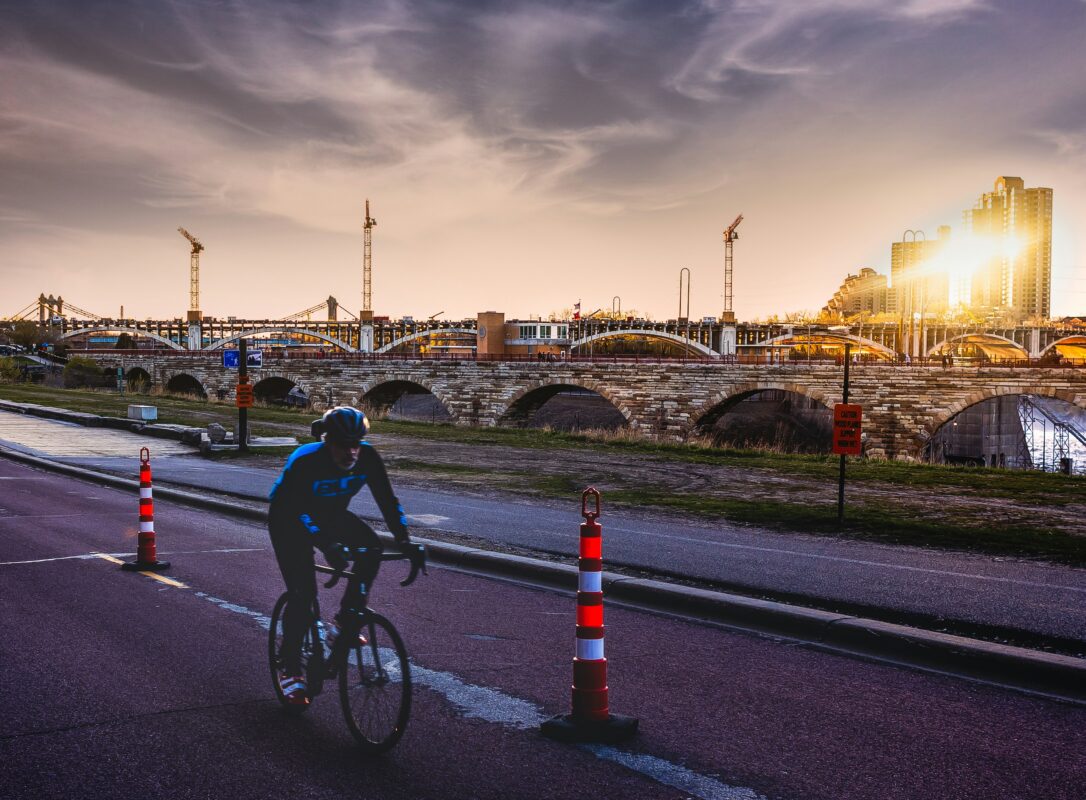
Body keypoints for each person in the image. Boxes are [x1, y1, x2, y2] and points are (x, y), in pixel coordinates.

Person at [268, 406, 421, 705]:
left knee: (372, 548)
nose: (350, 453)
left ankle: (343, 623)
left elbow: (388, 501)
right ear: (327, 441)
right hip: (289, 520)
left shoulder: (368, 457)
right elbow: (294, 510)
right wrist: (326, 545)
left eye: (356, 444)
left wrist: (406, 541)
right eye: (342, 445)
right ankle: (290, 667)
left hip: (331, 515)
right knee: (303, 593)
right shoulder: (306, 461)